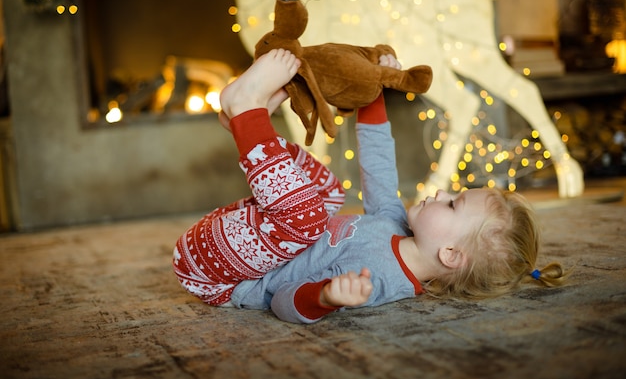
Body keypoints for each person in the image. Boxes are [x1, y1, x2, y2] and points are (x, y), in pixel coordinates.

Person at [172, 48, 567, 324]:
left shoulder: (377, 280)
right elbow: (377, 159)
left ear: (450, 255)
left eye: (452, 205)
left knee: (307, 218)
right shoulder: (395, 222)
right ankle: (247, 125)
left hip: (221, 276)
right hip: (247, 235)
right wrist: (375, 86)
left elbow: (283, 301)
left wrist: (324, 298)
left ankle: (248, 112)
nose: (442, 193)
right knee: (329, 192)